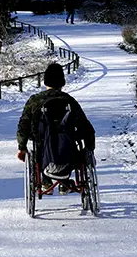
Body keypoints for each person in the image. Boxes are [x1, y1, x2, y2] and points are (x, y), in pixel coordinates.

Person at [16, 64, 95, 195]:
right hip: (69, 151)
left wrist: (22, 146)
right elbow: (86, 127)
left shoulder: (35, 101)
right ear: (62, 82)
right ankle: (65, 182)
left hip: (42, 152)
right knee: (72, 148)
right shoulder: (68, 100)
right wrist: (89, 149)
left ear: (45, 81)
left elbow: (23, 125)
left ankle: (46, 182)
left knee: (39, 148)